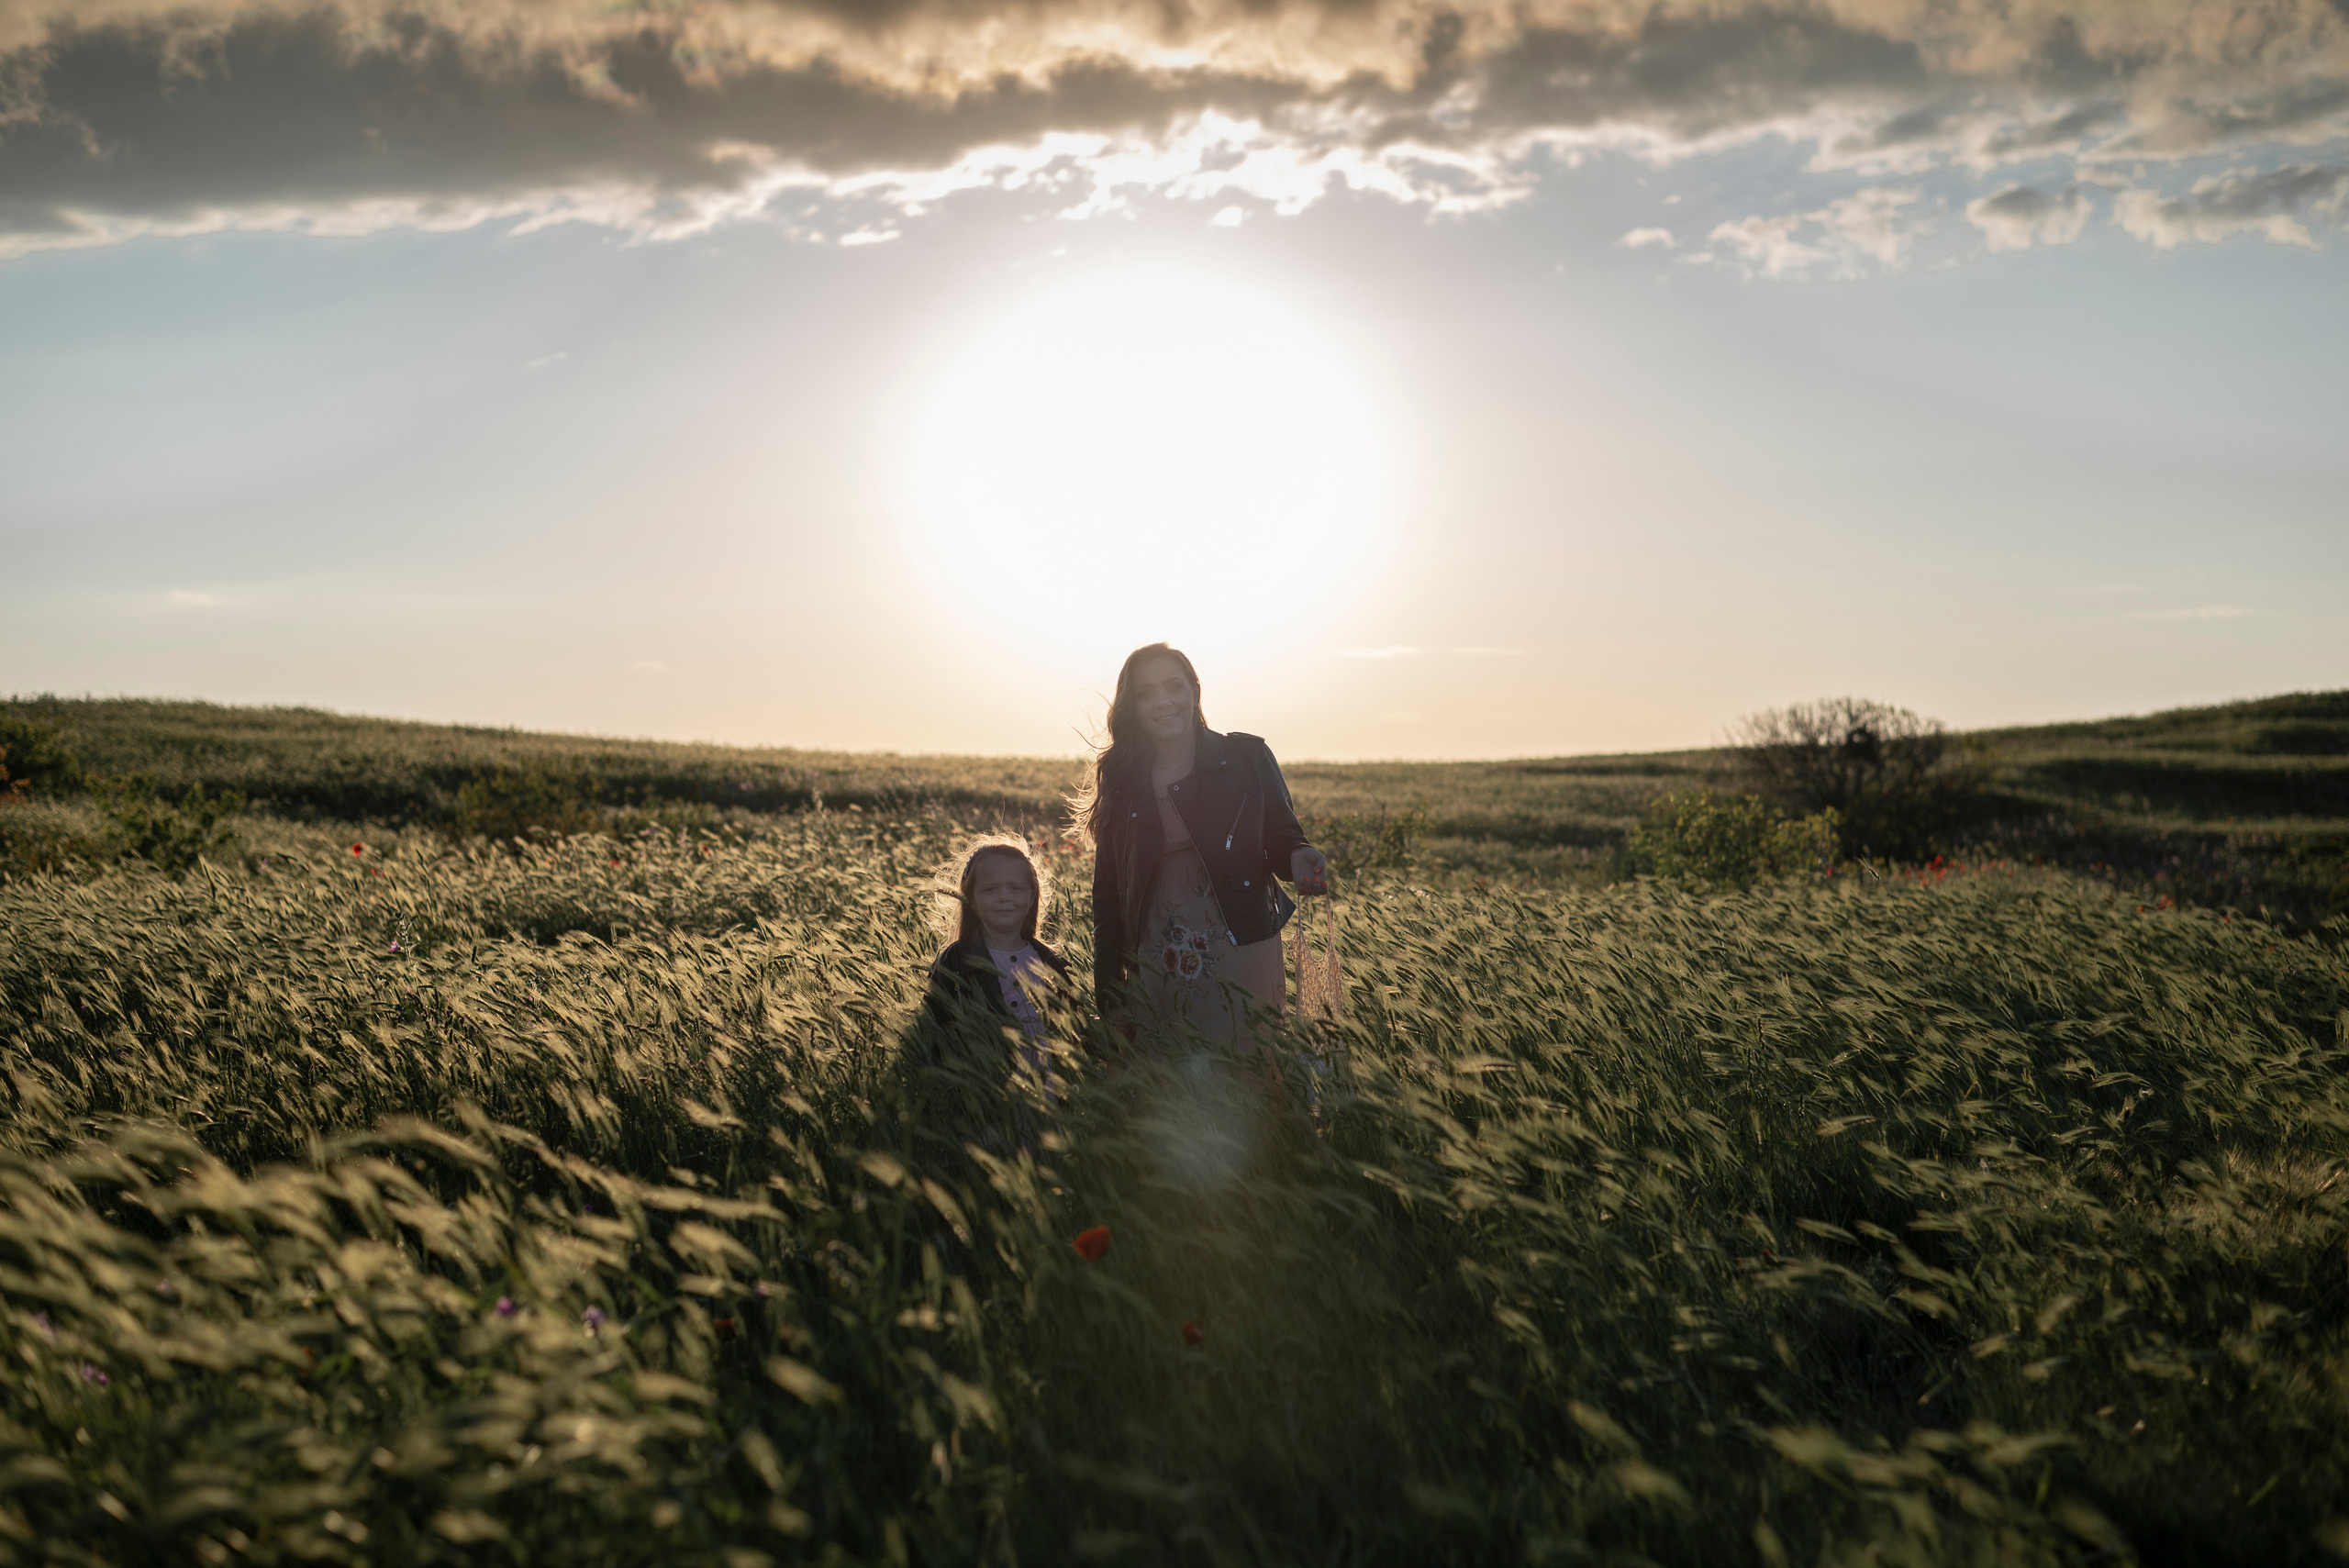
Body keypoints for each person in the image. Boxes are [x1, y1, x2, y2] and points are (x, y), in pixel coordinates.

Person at [1073, 642, 1330, 1055]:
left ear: (1194, 690)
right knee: (1167, 1084)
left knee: (1249, 1070)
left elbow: (1284, 839)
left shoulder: (1246, 757)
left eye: (1174, 687)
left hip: (1241, 947)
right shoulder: (1123, 779)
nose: (1163, 702)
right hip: (1158, 955)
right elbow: (1108, 894)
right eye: (1145, 693)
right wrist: (1109, 989)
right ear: (1132, 705)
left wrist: (1300, 855)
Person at [908, 836, 1074, 1151]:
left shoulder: (1050, 962)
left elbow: (1073, 1027)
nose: (1004, 898)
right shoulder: (956, 962)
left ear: (1031, 897)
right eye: (990, 890)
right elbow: (933, 1032)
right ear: (970, 898)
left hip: (1047, 1095)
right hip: (986, 1099)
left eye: (1015, 889)